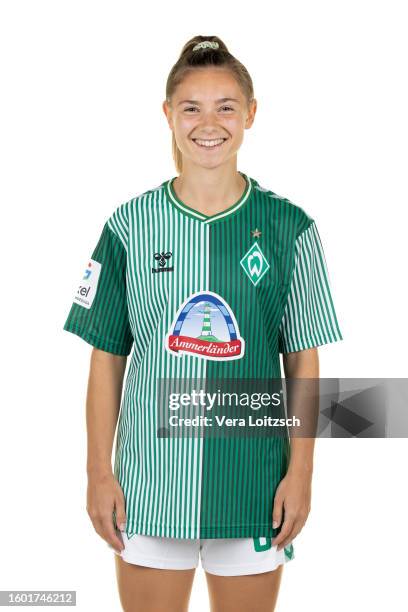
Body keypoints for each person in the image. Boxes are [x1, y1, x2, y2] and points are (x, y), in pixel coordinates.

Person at [63, 35, 343, 612]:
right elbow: (106, 355)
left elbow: (304, 360)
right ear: (168, 114)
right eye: (191, 106)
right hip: (149, 486)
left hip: (255, 486)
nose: (208, 122)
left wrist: (303, 474)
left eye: (225, 106)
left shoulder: (291, 227)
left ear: (250, 114)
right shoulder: (130, 225)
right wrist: (98, 473)